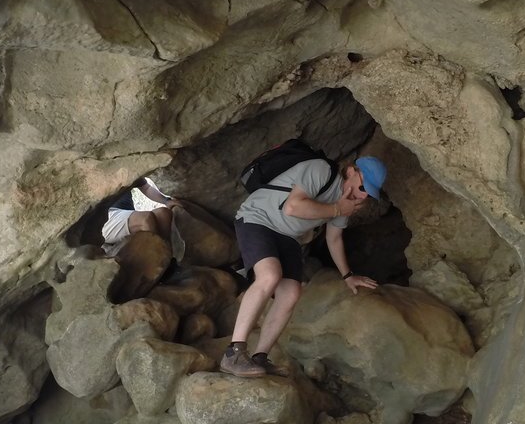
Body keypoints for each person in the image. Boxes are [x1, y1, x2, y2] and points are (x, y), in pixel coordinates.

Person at [219, 155, 388, 377]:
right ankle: (234, 354)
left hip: (287, 236)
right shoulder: (320, 171)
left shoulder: (346, 206)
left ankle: (260, 357)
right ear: (350, 172)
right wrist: (337, 209)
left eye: (369, 193)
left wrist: (348, 276)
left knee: (291, 293)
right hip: (258, 219)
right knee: (269, 276)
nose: (363, 195)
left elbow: (334, 238)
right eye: (363, 186)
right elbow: (293, 206)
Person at [101, 177, 178, 255]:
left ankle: (167, 257)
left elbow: (146, 188)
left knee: (164, 213)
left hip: (126, 214)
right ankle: (155, 259)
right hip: (105, 218)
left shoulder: (127, 170)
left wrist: (166, 201)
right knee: (145, 219)